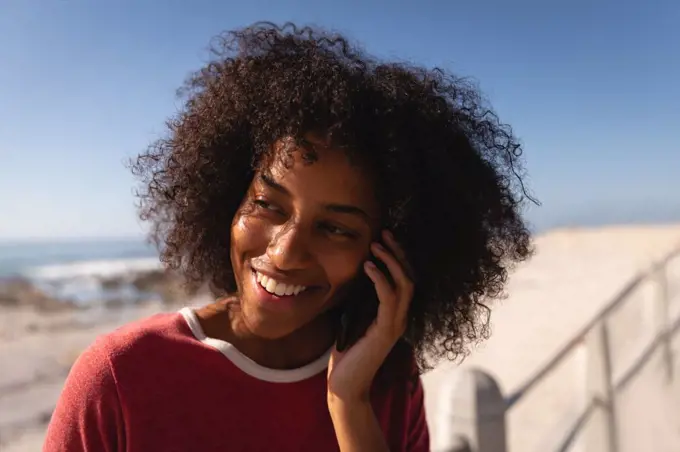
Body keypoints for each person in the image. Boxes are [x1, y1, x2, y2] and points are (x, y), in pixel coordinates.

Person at [44, 22, 534, 452]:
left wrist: (349, 403)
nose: (285, 251)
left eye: (336, 228)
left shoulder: (385, 377)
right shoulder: (121, 375)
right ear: (227, 198)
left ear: (389, 251)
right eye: (267, 205)